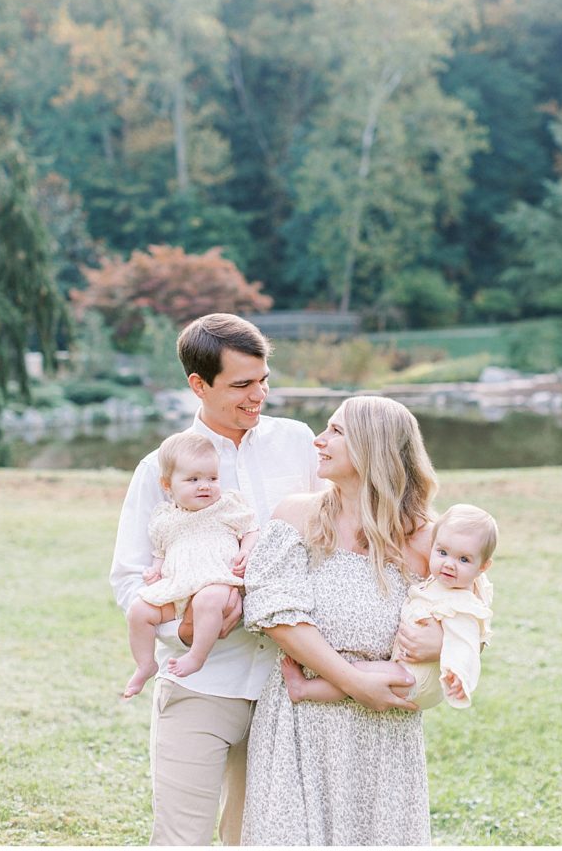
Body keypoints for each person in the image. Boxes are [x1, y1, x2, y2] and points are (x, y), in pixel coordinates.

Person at [109, 313, 328, 846]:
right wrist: (186, 629)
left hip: (289, 685)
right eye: (242, 385)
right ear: (198, 386)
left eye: (264, 379)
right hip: (202, 684)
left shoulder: (299, 443)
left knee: (258, 839)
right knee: (182, 839)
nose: (260, 395)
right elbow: (129, 577)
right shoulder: (159, 468)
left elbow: (336, 537)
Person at [241, 395, 441, 846]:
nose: (319, 440)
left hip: (383, 732)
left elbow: (470, 617)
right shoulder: (297, 515)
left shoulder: (426, 538)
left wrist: (442, 641)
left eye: (336, 431)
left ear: (374, 447)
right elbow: (278, 616)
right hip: (302, 721)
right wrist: (354, 682)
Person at [280, 502, 497, 712]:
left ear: (483, 566)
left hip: (415, 679)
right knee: (359, 673)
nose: (449, 564)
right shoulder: (439, 584)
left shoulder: (464, 605)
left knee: (357, 674)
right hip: (408, 669)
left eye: (464, 559)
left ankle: (303, 689)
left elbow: (466, 644)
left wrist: (458, 676)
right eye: (442, 553)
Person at [123, 431, 259, 699]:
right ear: (167, 484)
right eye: (193, 480)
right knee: (138, 611)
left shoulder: (225, 506)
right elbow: (160, 550)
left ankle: (197, 656)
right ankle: (145, 664)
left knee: (208, 601)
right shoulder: (165, 519)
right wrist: (155, 569)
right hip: (177, 587)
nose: (205, 486)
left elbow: (251, 529)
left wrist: (246, 550)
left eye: (212, 478)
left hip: (217, 580)